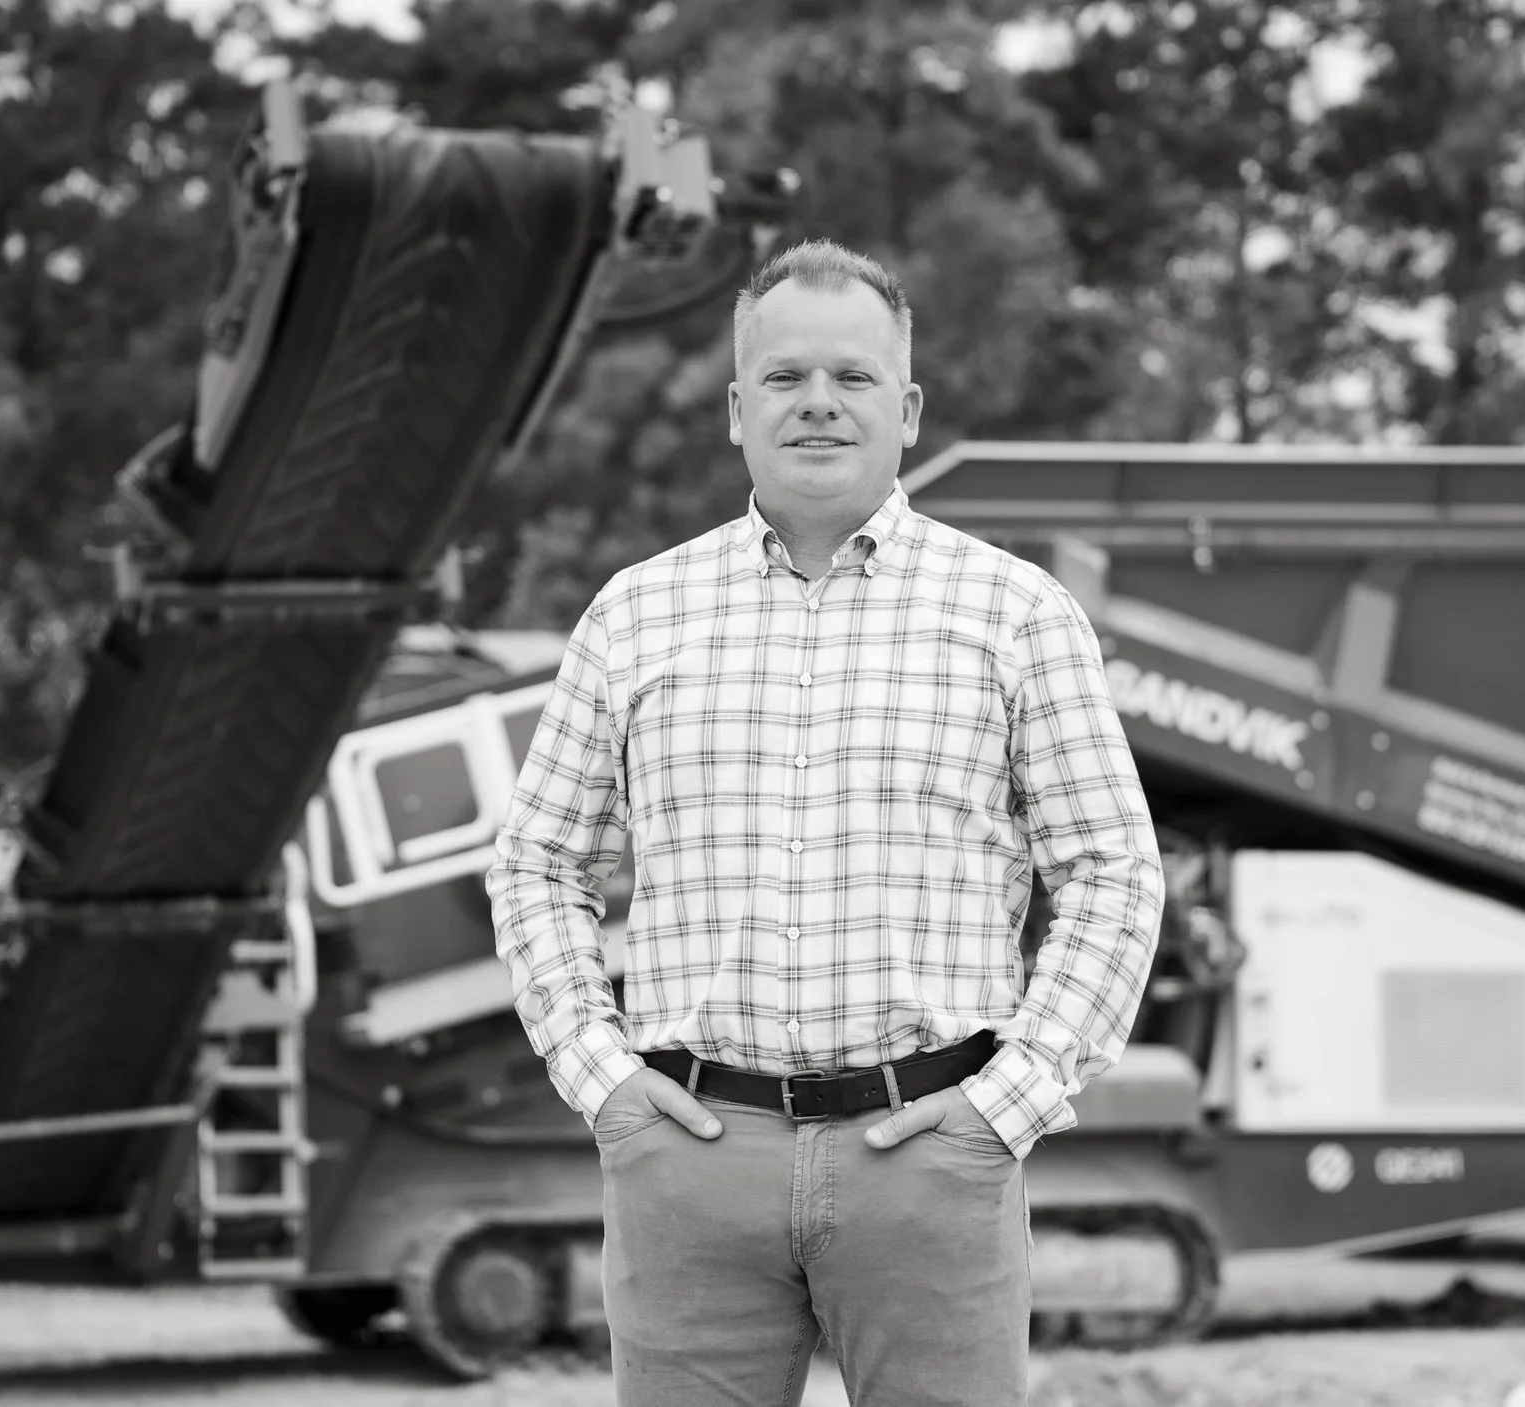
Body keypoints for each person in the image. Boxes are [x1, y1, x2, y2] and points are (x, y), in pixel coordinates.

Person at [488, 238, 1163, 1406]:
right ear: (737, 410)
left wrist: (1009, 1103)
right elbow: (540, 860)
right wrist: (600, 1078)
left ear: (904, 410)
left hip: (931, 1156)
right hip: (692, 1159)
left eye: (851, 378)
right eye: (786, 378)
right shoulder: (634, 615)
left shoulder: (1016, 615)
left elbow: (1111, 872)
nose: (817, 404)